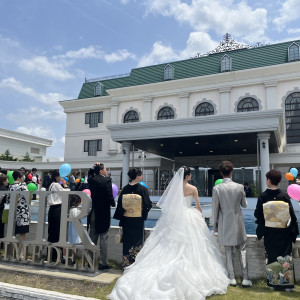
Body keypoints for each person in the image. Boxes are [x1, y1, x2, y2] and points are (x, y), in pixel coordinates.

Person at [108, 167, 229, 300]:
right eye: (190, 175)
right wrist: (200, 217)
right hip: (189, 216)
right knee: (193, 245)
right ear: (187, 176)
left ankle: (129, 262)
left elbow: (169, 205)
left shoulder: (173, 189)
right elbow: (198, 206)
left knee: (166, 244)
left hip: (173, 218)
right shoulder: (193, 188)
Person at [254, 169, 299, 291]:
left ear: (268, 180)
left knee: (272, 257)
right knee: (286, 257)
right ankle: (287, 285)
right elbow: (292, 216)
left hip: (270, 232)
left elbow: (257, 214)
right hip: (284, 232)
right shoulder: (284, 196)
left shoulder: (263, 196)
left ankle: (273, 284)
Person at [212, 161, 252, 288]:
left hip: (224, 222)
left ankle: (232, 278)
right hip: (238, 221)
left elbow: (215, 209)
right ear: (232, 172)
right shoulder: (240, 187)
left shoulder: (217, 188)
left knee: (228, 250)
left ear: (221, 173)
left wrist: (215, 224)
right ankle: (245, 278)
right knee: (242, 249)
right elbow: (244, 204)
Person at [113, 168, 152, 267]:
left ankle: (126, 263)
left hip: (126, 219)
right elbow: (148, 204)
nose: (141, 176)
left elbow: (120, 205)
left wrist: (125, 212)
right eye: (141, 175)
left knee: (127, 240)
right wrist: (143, 212)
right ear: (138, 176)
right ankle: (135, 263)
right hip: (137, 219)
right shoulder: (142, 189)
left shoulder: (125, 189)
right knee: (137, 240)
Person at [88, 163, 116, 270]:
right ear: (101, 171)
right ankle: (103, 263)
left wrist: (92, 167)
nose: (106, 171)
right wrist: (113, 203)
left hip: (94, 211)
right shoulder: (107, 180)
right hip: (103, 213)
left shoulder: (92, 180)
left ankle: (90, 261)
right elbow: (109, 195)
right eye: (105, 169)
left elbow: (89, 175)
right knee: (104, 238)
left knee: (92, 237)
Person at [47, 169, 69, 261]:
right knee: (57, 232)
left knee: (52, 232)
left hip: (52, 209)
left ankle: (51, 255)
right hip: (57, 209)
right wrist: (65, 185)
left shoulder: (51, 184)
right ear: (57, 177)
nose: (62, 178)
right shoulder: (56, 185)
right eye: (60, 176)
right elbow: (66, 192)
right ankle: (56, 256)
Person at [9, 170, 31, 244]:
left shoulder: (11, 186)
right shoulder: (23, 186)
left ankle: (12, 252)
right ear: (19, 177)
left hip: (13, 211)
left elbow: (8, 199)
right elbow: (28, 197)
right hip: (23, 211)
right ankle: (20, 252)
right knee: (22, 233)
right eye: (22, 176)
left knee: (12, 233)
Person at [0, 174, 9, 239]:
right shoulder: (4, 189)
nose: (8, 181)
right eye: (6, 180)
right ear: (3, 181)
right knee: (1, 227)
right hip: (2, 209)